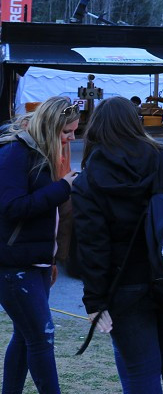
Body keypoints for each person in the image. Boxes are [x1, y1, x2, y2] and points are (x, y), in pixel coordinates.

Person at [71, 97, 163, 394]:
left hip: (129, 284)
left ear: (97, 128)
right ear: (135, 122)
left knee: (145, 371)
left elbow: (93, 247)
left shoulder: (89, 179)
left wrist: (95, 301)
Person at [0, 98, 80, 394]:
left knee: (25, 336)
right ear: (49, 126)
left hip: (36, 263)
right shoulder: (15, 154)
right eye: (67, 132)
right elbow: (12, 207)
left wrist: (53, 259)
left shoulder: (42, 152)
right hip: (14, 265)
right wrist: (63, 188)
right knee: (41, 337)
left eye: (74, 131)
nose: (72, 138)